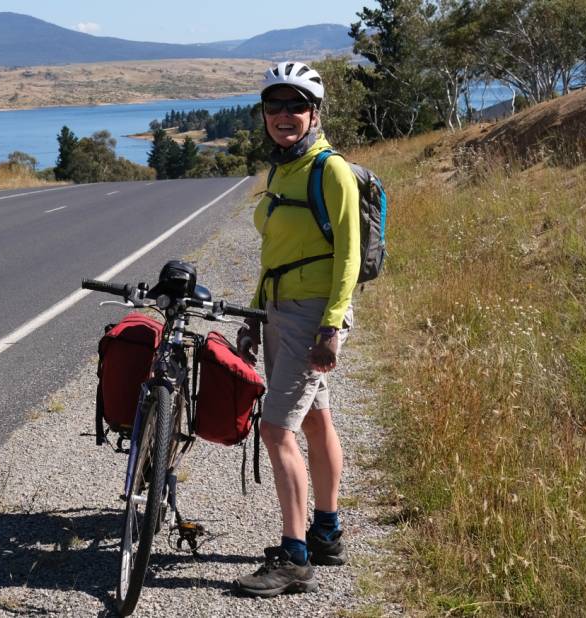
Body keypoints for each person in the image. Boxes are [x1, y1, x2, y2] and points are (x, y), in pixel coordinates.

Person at [233, 61, 361, 598]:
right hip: (281, 309)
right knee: (314, 419)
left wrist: (331, 324)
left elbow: (349, 254)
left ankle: (294, 556)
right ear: (264, 114)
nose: (285, 115)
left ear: (315, 113)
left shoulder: (330, 170)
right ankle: (326, 533)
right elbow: (275, 253)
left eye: (296, 105)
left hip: (313, 314)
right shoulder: (282, 169)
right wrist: (254, 314)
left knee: (275, 429)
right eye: (275, 106)